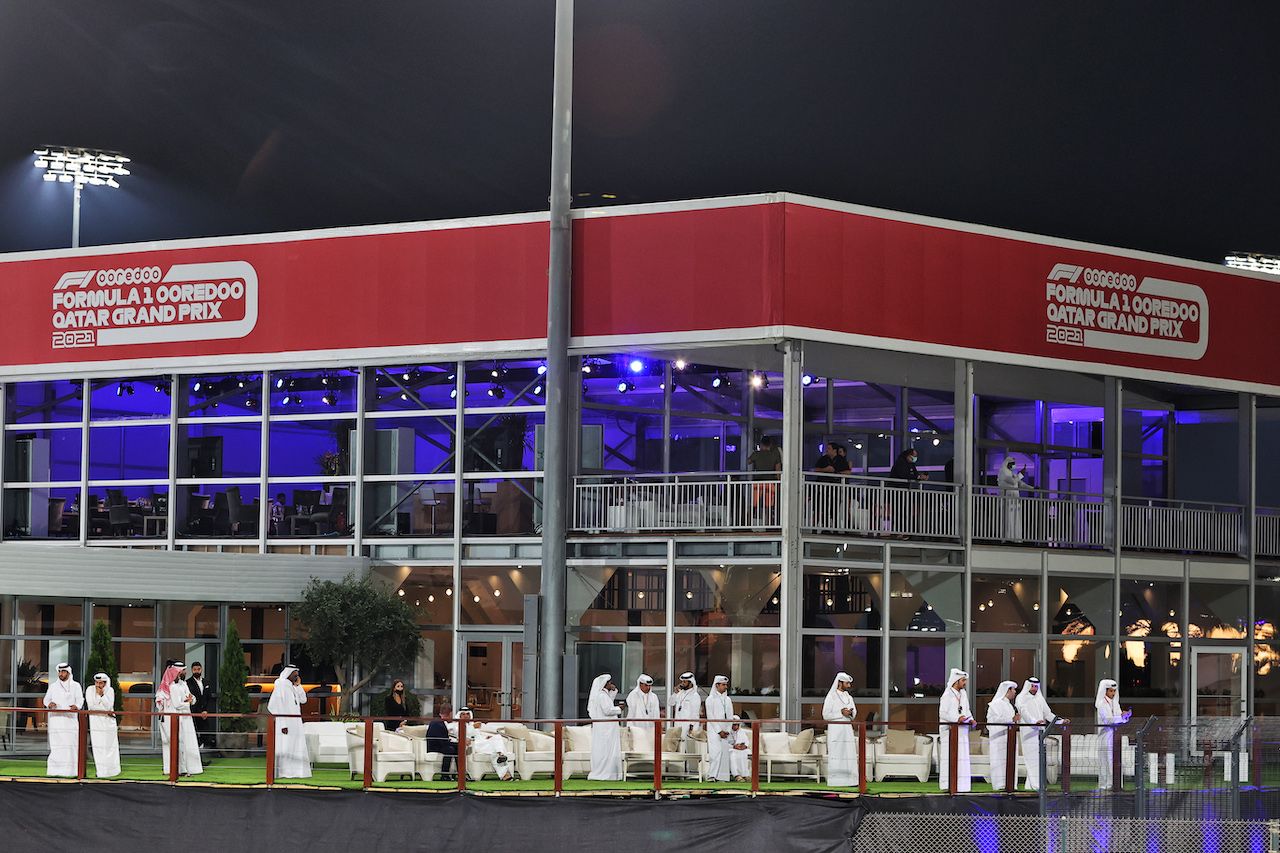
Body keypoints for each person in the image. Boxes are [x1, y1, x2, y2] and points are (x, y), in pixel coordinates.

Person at [1015, 677, 1065, 791]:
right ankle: (1037, 785)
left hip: (1041, 733)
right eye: (1032, 686)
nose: (1034, 689)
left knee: (1039, 759)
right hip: (1028, 732)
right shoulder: (1021, 698)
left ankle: (1031, 785)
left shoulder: (1040, 699)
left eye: (1036, 687)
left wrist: (1060, 721)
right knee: (1032, 759)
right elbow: (1024, 712)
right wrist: (1034, 722)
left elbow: (1048, 714)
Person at [156, 662, 202, 777]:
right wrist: (188, 703)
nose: (184, 673)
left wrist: (191, 701)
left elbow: (191, 697)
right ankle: (176, 770)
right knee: (175, 743)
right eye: (182, 671)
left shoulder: (183, 684)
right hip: (173, 718)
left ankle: (187, 768)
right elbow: (177, 705)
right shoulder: (172, 687)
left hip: (185, 717)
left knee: (185, 742)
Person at [268, 665, 311, 779]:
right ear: (288, 673)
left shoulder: (291, 687)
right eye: (294, 673)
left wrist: (299, 686)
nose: (296, 675)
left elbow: (303, 700)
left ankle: (296, 772)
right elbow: (276, 706)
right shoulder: (281, 686)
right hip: (285, 723)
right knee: (286, 746)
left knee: (296, 746)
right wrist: (283, 724)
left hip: (295, 722)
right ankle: (284, 772)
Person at [44, 663, 83, 777]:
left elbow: (80, 700)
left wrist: (77, 706)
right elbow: (46, 700)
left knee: (70, 745)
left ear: (68, 673)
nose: (61, 674)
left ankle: (71, 771)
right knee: (56, 745)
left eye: (63, 672)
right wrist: (49, 704)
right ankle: (54, 771)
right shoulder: (53, 686)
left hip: (69, 721)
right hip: (56, 721)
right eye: (59, 672)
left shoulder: (76, 686)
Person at [938, 668, 973, 792]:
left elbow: (966, 710)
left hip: (962, 731)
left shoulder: (963, 694)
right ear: (956, 681)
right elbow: (942, 714)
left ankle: (962, 785)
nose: (965, 683)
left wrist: (971, 719)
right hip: (949, 731)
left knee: (962, 757)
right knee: (949, 757)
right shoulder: (947, 695)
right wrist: (957, 718)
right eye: (963, 680)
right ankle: (947, 784)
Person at [1094, 679, 1131, 790]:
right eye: (1111, 691)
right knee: (1105, 761)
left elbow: (1119, 719)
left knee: (1114, 760)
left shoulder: (1115, 703)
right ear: (1105, 691)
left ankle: (1115, 783)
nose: (1113, 693)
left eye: (1114, 691)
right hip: (1105, 735)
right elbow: (1108, 720)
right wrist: (1121, 717)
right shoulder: (1101, 704)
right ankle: (1105, 784)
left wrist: (1125, 716)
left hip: (1115, 735)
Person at [458, 707, 514, 781]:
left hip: (482, 744)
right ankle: (505, 773)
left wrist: (486, 738)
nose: (466, 716)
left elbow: (479, 737)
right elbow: (462, 735)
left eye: (467, 714)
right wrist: (473, 727)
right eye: (463, 714)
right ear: (459, 716)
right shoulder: (457, 725)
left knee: (497, 738)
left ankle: (501, 756)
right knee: (497, 749)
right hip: (474, 746)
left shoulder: (472, 724)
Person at [822, 671, 858, 788]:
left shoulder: (849, 697)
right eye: (847, 683)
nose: (849, 686)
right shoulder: (831, 697)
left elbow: (855, 713)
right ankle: (836, 781)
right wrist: (840, 712)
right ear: (840, 683)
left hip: (847, 729)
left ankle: (851, 781)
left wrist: (850, 713)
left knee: (849, 753)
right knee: (837, 753)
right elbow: (825, 715)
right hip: (836, 730)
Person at [586, 673, 624, 781]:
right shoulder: (601, 696)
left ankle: (610, 773)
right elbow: (607, 710)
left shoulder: (603, 695)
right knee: (605, 750)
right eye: (609, 682)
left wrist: (614, 691)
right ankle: (604, 773)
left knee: (608, 750)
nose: (611, 684)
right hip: (605, 729)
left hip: (607, 729)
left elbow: (609, 703)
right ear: (605, 684)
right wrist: (619, 709)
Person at [985, 680, 1020, 791]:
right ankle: (1000, 785)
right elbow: (992, 721)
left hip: (1010, 737)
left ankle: (1011, 784)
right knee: (999, 761)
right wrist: (1011, 720)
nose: (1015, 692)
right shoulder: (995, 704)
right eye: (1013, 689)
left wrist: (1016, 721)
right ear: (1007, 690)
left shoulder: (1009, 705)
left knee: (1011, 760)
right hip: (999, 738)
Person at [86, 673, 121, 778]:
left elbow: (109, 707)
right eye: (96, 682)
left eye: (101, 683)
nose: (98, 685)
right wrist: (104, 709)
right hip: (95, 722)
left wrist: (102, 695)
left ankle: (112, 771)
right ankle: (101, 772)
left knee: (110, 747)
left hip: (108, 723)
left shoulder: (110, 691)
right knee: (98, 747)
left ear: (105, 683)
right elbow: (91, 707)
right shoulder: (89, 690)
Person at [704, 675, 734, 783]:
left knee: (724, 753)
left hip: (725, 731)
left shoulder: (728, 700)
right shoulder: (710, 699)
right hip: (714, 731)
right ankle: (712, 775)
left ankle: (722, 777)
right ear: (717, 685)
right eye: (723, 685)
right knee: (715, 752)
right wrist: (719, 730)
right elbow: (710, 716)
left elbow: (730, 716)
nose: (725, 687)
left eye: (726, 685)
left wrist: (728, 730)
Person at [747, 435, 782, 524]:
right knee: (769, 506)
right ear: (770, 444)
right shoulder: (775, 455)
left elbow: (748, 462)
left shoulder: (757, 454)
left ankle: (748, 523)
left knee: (753, 504)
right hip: (770, 483)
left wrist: (754, 453)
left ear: (761, 444)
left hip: (758, 482)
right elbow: (778, 470)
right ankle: (768, 524)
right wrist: (779, 483)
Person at [186, 661, 216, 753]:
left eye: (198, 669)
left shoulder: (206, 682)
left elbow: (209, 698)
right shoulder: (188, 683)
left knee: (206, 734)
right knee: (194, 735)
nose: (196, 671)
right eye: (194, 670)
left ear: (201, 669)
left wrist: (206, 711)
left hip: (205, 713)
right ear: (191, 670)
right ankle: (193, 754)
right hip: (194, 713)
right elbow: (191, 699)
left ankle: (195, 751)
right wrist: (200, 712)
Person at [425, 705, 458, 779]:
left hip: (439, 744)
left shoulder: (439, 721)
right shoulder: (438, 723)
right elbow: (444, 742)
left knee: (458, 747)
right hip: (434, 747)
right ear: (450, 713)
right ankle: (445, 775)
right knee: (450, 749)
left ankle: (460, 774)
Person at [998, 456, 1026, 542]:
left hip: (1014, 502)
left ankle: (1016, 539)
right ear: (1008, 464)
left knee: (1016, 520)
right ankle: (1007, 539)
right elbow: (1013, 481)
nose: (1014, 466)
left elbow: (1021, 484)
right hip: (1007, 502)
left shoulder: (1012, 474)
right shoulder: (1003, 473)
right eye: (1012, 464)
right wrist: (1021, 474)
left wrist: (1033, 488)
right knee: (1008, 520)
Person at [626, 674, 663, 740]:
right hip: (637, 728)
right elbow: (631, 713)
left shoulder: (653, 697)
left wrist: (658, 728)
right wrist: (630, 727)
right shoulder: (633, 695)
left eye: (650, 686)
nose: (648, 688)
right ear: (640, 684)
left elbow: (656, 714)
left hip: (651, 729)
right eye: (646, 685)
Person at [669, 672, 702, 742]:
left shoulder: (695, 695)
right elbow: (670, 703)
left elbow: (695, 713)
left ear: (690, 683)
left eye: (684, 682)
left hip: (688, 727)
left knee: (687, 748)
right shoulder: (680, 693)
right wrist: (675, 693)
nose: (682, 683)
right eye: (682, 681)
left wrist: (692, 726)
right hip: (678, 725)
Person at [729, 716, 751, 782]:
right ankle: (737, 775)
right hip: (731, 749)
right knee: (733, 755)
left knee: (746, 754)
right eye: (734, 725)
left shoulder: (741, 731)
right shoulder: (727, 731)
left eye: (738, 725)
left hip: (742, 749)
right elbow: (725, 743)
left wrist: (744, 746)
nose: (736, 727)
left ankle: (746, 775)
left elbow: (747, 741)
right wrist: (733, 746)